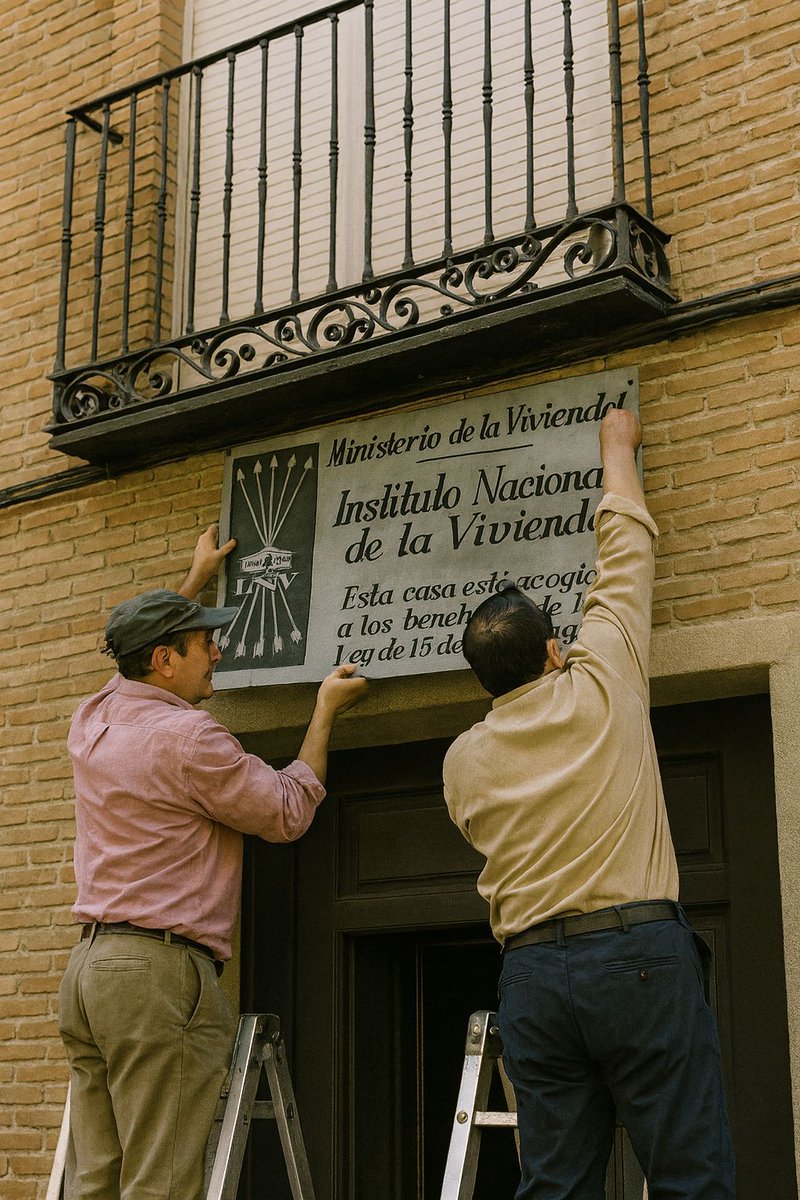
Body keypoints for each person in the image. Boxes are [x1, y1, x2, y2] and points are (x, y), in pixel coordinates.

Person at [443, 410, 734, 1200]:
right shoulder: (603, 679)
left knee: (557, 1187)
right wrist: (616, 446)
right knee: (688, 1176)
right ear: (552, 649)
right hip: (637, 957)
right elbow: (626, 550)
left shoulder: (463, 759)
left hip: (533, 973)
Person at [58, 524, 368, 1200]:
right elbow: (285, 810)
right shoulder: (191, 738)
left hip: (89, 974)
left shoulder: (94, 719)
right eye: (205, 643)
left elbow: (130, 658)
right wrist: (323, 715)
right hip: (155, 977)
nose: (218, 653)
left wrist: (192, 582)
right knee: (159, 1185)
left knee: (97, 1184)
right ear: (165, 660)